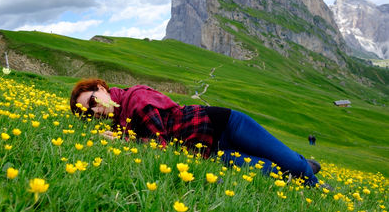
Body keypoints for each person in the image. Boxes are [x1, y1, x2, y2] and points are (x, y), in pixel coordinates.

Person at [70, 78, 321, 186]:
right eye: (88, 112)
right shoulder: (121, 120)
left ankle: (314, 180)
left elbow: (158, 144)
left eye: (92, 101)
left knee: (293, 167)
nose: (95, 110)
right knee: (271, 171)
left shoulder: (136, 99)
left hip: (224, 124)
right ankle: (304, 162)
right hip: (207, 150)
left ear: (101, 88)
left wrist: (124, 141)